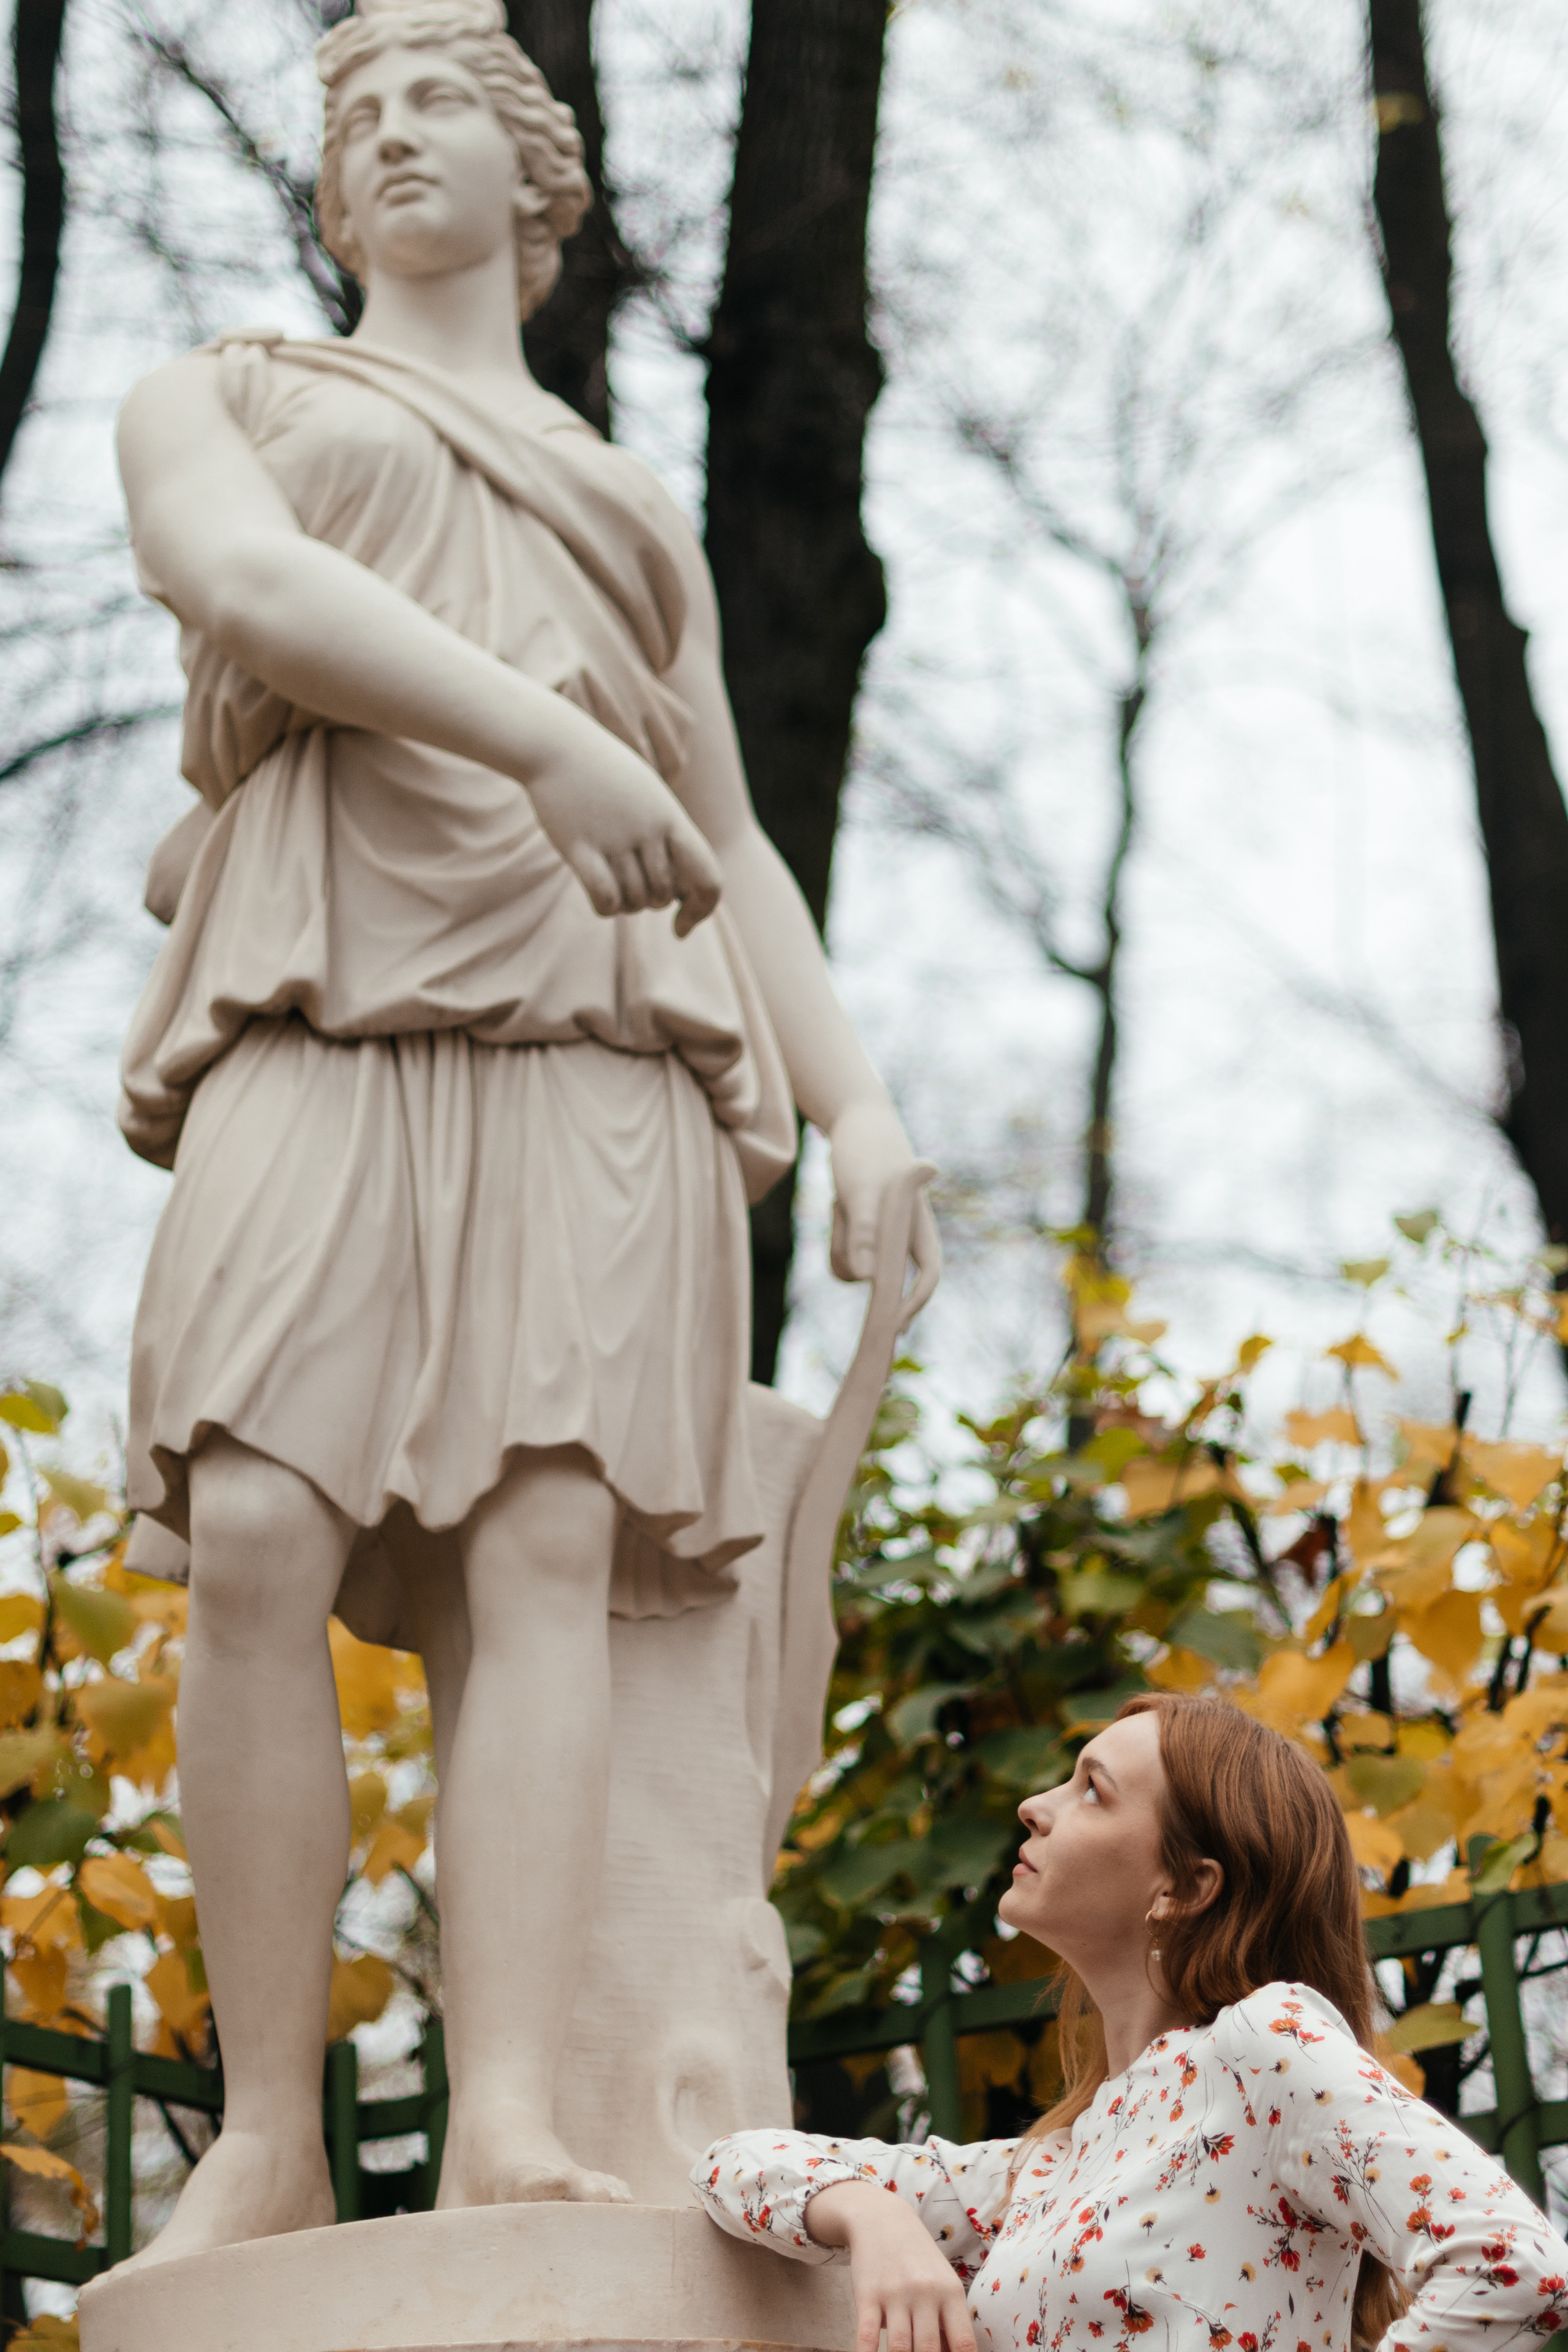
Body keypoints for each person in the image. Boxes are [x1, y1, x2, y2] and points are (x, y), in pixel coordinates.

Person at [111, 0, 936, 2265]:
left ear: (538, 184)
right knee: (257, 1527)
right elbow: (253, 592)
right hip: (314, 995)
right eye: (351, 115)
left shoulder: (627, 494)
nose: (385, 139)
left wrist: (855, 1103)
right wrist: (551, 751)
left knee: (543, 1570)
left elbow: (735, 839)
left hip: (598, 1048)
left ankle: (516, 2120)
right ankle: (266, 2131)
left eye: (435, 109)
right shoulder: (232, 397)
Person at [693, 1694, 1568, 2352]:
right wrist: (872, 2215)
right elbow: (731, 2165)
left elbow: (1511, 2262)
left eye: (1092, 1791)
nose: (1037, 1804)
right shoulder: (1045, 2170)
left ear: (1185, 1888)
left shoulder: (1262, 2045)